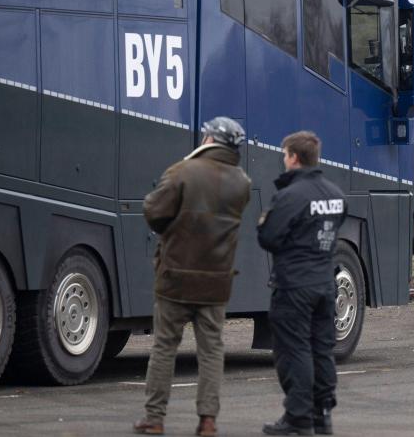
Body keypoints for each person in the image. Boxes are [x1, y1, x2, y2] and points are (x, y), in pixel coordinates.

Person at [133, 117, 252, 437]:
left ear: (211, 139)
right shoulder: (241, 182)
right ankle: (208, 421)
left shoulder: (181, 172)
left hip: (175, 278)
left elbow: (154, 212)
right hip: (216, 281)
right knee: (212, 350)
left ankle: (154, 418)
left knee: (164, 347)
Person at [257, 131, 347, 436]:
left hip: (294, 286)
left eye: (285, 154)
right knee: (321, 349)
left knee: (293, 350)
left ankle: (298, 417)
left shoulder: (290, 196)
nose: (284, 160)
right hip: (324, 283)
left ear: (294, 157)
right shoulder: (335, 194)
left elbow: (268, 237)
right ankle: (322, 414)